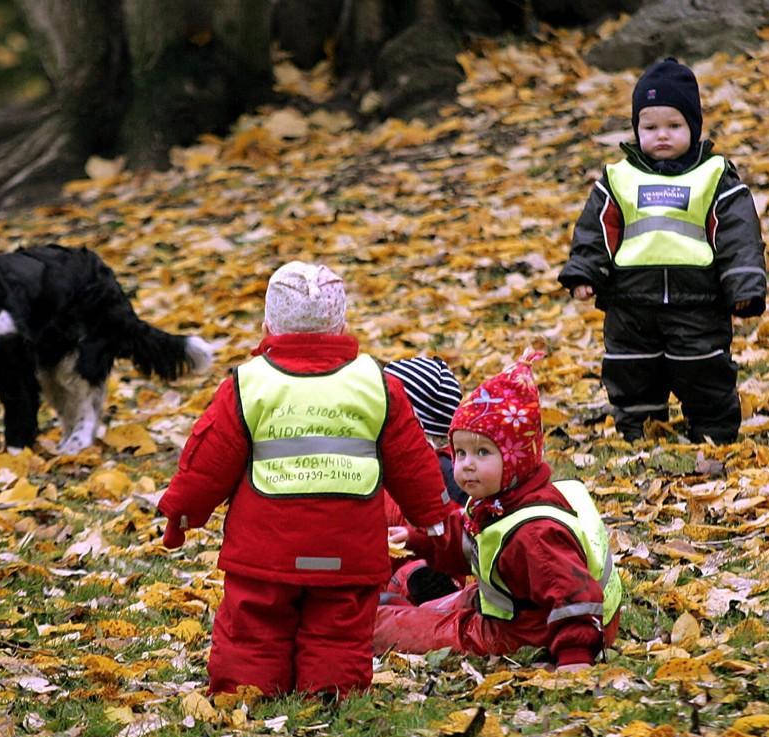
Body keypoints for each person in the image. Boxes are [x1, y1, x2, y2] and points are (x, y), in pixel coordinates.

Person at [157, 261, 453, 698]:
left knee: (254, 625)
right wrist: (433, 515)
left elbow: (208, 459)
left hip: (266, 550)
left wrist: (182, 513)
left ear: (267, 324)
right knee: (339, 627)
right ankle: (331, 693)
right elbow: (411, 460)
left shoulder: (250, 384)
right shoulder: (375, 385)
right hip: (348, 548)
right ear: (343, 324)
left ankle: (247, 691)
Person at [559, 57, 767, 444]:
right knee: (631, 369)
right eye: (650, 127)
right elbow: (596, 229)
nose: (662, 136)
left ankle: (714, 430)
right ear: (636, 128)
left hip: (698, 301)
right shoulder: (619, 178)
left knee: (703, 368)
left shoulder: (714, 175)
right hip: (629, 303)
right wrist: (584, 272)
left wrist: (744, 286)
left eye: (674, 126)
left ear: (694, 126)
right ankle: (640, 430)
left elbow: (739, 234)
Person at [373, 352, 623, 666]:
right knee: (432, 609)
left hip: (525, 630)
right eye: (460, 453)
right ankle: (406, 604)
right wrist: (415, 539)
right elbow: (469, 538)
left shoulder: (535, 534)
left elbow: (572, 596)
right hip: (515, 604)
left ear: (517, 457)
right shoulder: (500, 502)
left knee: (385, 628)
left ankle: (386, 618)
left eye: (482, 452)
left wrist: (574, 657)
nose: (465, 465)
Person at [381, 356, 467, 607]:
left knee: (413, 574)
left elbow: (454, 528)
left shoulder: (443, 471)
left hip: (417, 558)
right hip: (387, 550)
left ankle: (429, 590)